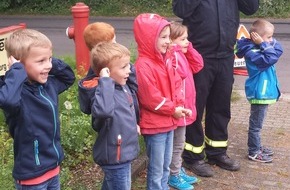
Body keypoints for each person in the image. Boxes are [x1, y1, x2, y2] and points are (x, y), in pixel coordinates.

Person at [172, 0, 259, 177]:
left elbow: (251, 8)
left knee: (220, 107)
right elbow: (180, 9)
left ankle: (217, 152)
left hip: (225, 55)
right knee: (194, 107)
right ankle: (193, 156)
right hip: (198, 56)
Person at [1, 29, 75, 189]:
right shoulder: (15, 92)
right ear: (18, 65)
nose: (48, 65)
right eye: (41, 61)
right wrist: (16, 71)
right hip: (32, 176)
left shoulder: (48, 85)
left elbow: (68, 77)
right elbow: (8, 102)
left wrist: (46, 59)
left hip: (53, 169)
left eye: (49, 59)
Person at [133, 13, 190, 190]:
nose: (168, 41)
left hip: (168, 122)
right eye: (163, 37)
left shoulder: (165, 60)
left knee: (165, 166)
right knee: (157, 169)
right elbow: (151, 98)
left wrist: (179, 105)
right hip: (155, 125)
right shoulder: (143, 65)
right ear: (149, 39)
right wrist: (173, 109)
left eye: (168, 36)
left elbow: (175, 85)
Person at [87, 42, 140, 190]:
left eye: (128, 65)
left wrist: (133, 124)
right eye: (123, 67)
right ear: (106, 72)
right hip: (114, 157)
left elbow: (129, 106)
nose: (129, 70)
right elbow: (104, 111)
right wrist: (105, 81)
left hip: (124, 153)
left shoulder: (123, 86)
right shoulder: (102, 92)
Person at [236, 19, 283, 163]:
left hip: (263, 93)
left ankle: (257, 146)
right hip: (259, 93)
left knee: (258, 124)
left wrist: (264, 42)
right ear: (257, 37)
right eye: (269, 37)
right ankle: (254, 152)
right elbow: (271, 57)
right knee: (255, 125)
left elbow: (279, 49)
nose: (272, 40)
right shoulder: (253, 53)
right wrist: (263, 44)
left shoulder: (259, 47)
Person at [168, 21, 204, 190]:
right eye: (183, 39)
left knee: (179, 143)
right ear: (171, 41)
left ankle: (177, 169)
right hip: (178, 108)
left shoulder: (182, 53)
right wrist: (175, 51)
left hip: (185, 106)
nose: (187, 42)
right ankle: (173, 175)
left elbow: (198, 64)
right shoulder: (173, 56)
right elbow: (179, 73)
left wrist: (187, 49)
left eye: (187, 39)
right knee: (177, 144)